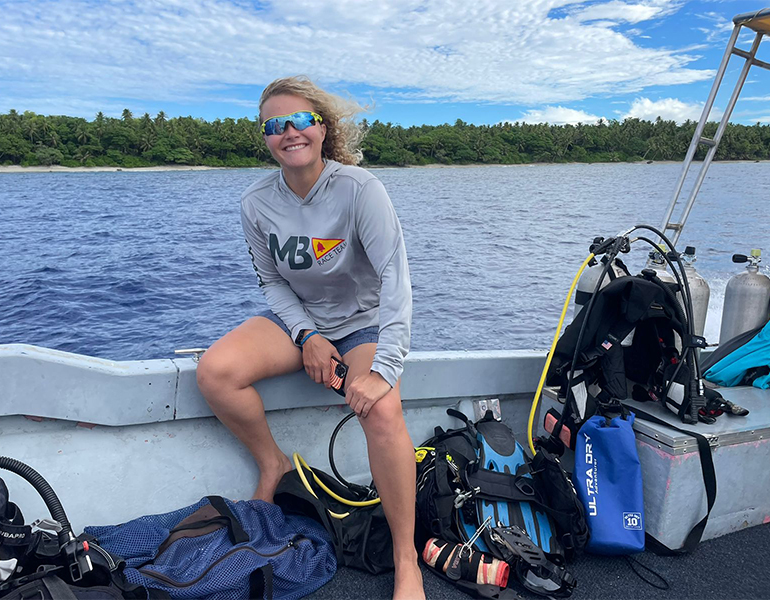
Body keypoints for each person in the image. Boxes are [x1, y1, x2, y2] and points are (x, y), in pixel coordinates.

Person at [195, 76, 424, 600]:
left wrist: (385, 369)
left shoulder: (359, 189)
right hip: (299, 321)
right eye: (275, 125)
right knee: (216, 372)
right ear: (266, 137)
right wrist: (306, 336)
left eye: (300, 120)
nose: (288, 132)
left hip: (362, 322)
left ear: (322, 128)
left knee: (384, 411)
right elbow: (272, 282)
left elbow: (396, 279)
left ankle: (405, 558)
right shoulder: (256, 203)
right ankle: (272, 461)